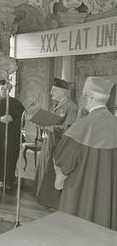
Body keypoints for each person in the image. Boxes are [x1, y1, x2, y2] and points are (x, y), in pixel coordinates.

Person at [53, 76, 117, 230]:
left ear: (90, 97)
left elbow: (63, 162)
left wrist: (58, 182)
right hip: (109, 197)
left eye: (85, 95)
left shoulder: (82, 126)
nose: (83, 98)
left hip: (80, 196)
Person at [34, 77, 78, 209]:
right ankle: (44, 198)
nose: (51, 93)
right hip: (50, 143)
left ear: (62, 92)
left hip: (59, 146)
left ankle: (54, 202)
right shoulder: (58, 105)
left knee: (54, 172)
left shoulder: (71, 107)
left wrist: (52, 128)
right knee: (47, 169)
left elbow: (70, 128)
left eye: (53, 90)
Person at [0, 79, 25, 189]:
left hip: (11, 137)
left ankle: (7, 181)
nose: (3, 91)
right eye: (1, 89)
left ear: (9, 90)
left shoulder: (16, 103)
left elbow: (22, 118)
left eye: (6, 89)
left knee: (10, 158)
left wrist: (12, 118)